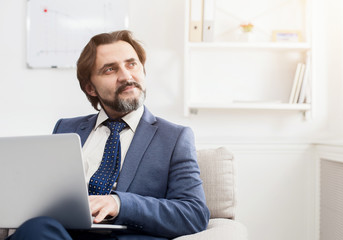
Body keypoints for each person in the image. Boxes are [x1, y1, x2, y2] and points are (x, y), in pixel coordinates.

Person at [8, 30, 210, 240]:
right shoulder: (66, 128)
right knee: (37, 229)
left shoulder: (174, 138)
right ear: (90, 87)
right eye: (110, 69)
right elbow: (44, 198)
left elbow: (194, 214)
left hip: (125, 235)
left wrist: (119, 203)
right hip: (61, 235)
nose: (126, 76)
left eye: (132, 64)